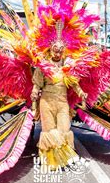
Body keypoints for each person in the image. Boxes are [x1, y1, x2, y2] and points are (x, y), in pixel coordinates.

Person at [31, 35, 88, 169]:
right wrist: (34, 94)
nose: (58, 53)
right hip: (47, 102)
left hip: (62, 103)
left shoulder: (68, 67)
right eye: (55, 50)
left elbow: (74, 84)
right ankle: (51, 161)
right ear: (50, 50)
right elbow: (37, 84)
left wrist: (81, 93)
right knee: (49, 131)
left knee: (64, 129)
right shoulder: (43, 66)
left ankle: (63, 158)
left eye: (60, 50)